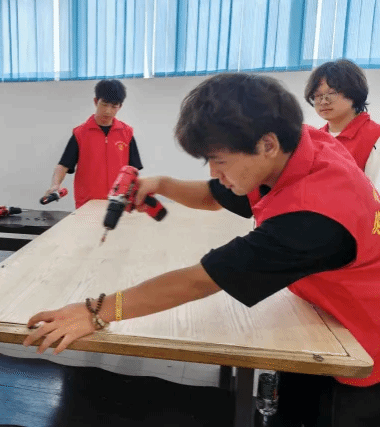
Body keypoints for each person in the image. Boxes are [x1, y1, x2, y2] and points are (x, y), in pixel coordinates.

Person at [24, 73, 380, 427]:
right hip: (318, 314)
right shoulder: (297, 146)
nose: (214, 171)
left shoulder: (313, 217)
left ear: (267, 145)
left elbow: (202, 280)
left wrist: (97, 312)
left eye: (220, 161)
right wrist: (159, 184)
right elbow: (215, 195)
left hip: (358, 344)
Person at [44, 79, 143, 209]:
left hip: (118, 204)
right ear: (96, 102)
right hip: (87, 204)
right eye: (104, 104)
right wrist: (55, 184)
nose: (108, 111)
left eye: (114, 106)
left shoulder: (127, 133)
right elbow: (63, 165)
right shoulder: (80, 134)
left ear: (120, 106)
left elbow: (134, 170)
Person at [305, 59, 380, 185]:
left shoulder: (375, 137)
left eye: (331, 93)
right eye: (317, 96)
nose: (323, 101)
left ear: (353, 94)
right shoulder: (314, 139)